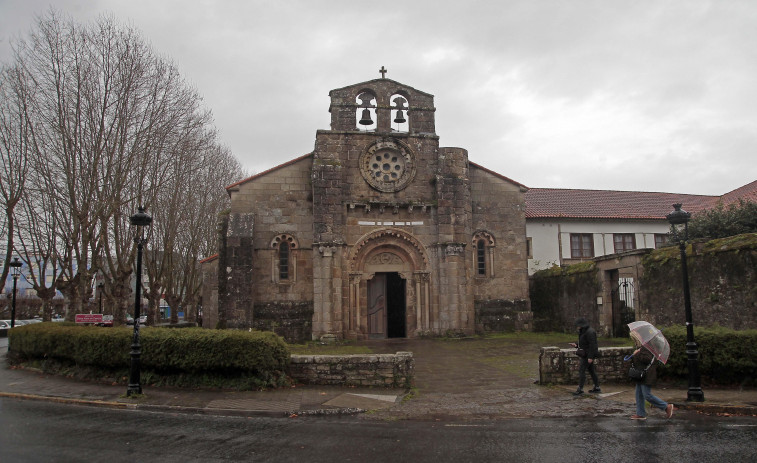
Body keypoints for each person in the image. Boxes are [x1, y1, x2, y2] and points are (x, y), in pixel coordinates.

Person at [629, 331, 674, 420]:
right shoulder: (642, 346)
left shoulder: (647, 346)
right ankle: (640, 413)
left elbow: (647, 359)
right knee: (639, 394)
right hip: (641, 373)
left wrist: (636, 354)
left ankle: (666, 407)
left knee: (647, 395)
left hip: (647, 374)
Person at [569, 317, 600, 395]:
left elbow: (593, 345)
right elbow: (584, 343)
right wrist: (576, 345)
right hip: (586, 354)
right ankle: (597, 387)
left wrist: (590, 357)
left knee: (582, 370)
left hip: (587, 355)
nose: (577, 327)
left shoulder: (590, 332)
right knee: (591, 371)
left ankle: (580, 389)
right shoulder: (584, 331)